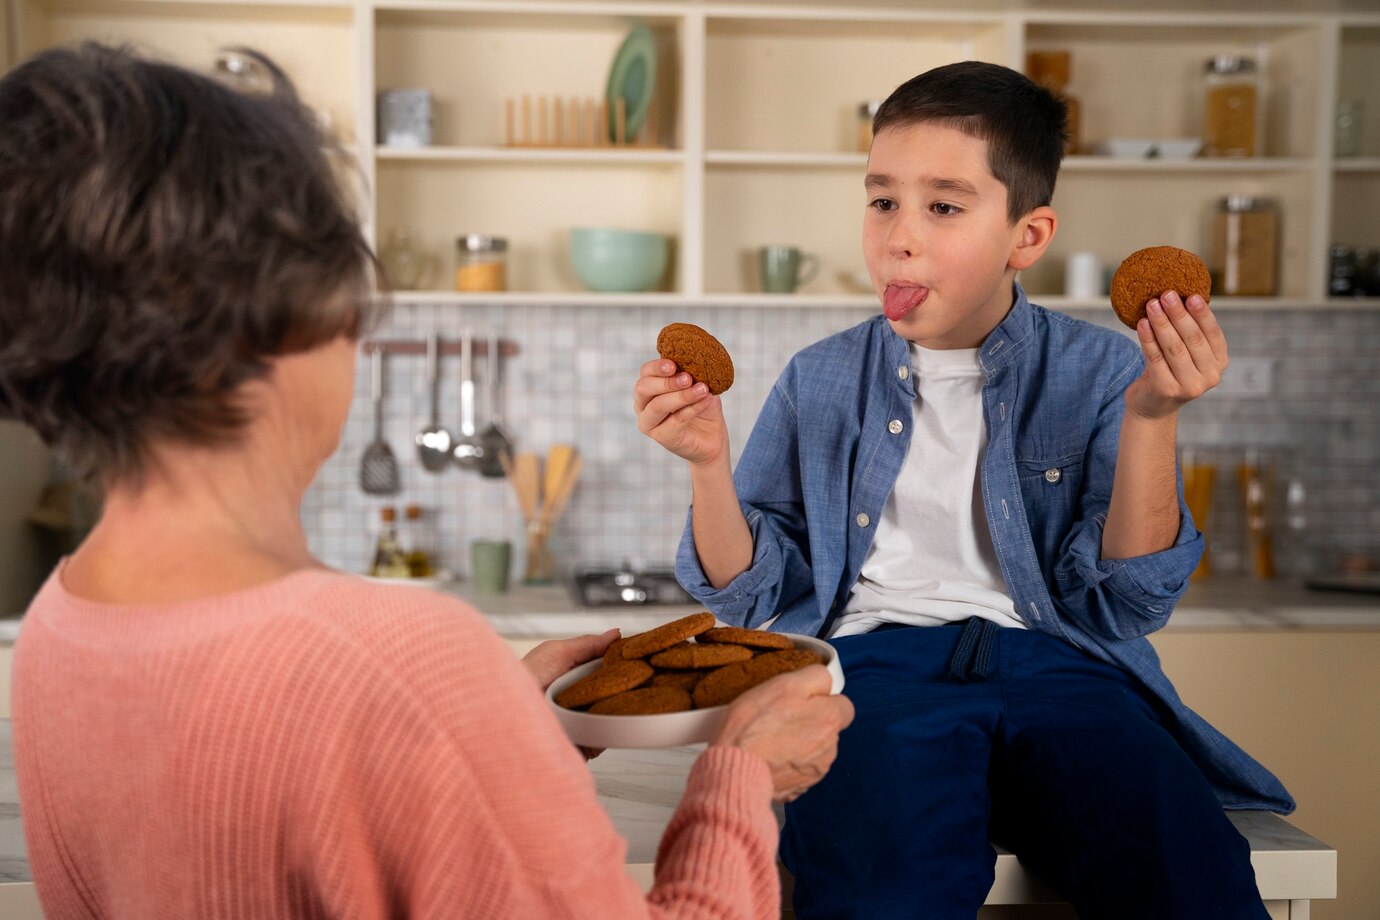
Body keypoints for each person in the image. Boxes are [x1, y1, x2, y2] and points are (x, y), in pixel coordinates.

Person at [0, 43, 853, 919]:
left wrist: (489, 736)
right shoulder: (402, 661)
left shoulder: (58, 631)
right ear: (284, 312)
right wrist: (739, 779)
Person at [635, 61, 1292, 919]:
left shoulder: (1103, 370)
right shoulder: (818, 378)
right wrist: (706, 466)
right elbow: (756, 595)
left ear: (1028, 233)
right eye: (882, 200)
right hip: (873, 668)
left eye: (943, 206)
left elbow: (1129, 603)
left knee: (1190, 873)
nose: (898, 236)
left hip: (1065, 664)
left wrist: (1152, 416)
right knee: (881, 885)